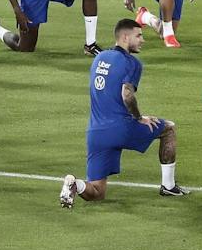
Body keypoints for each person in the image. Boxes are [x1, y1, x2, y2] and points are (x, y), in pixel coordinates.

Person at [61, 18, 184, 207]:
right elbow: (126, 94)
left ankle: (74, 184)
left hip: (96, 133)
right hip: (120, 128)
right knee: (168, 129)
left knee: (97, 191)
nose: (142, 40)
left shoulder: (98, 58)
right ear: (125, 37)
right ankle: (168, 185)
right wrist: (139, 118)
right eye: (139, 36)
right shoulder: (132, 63)